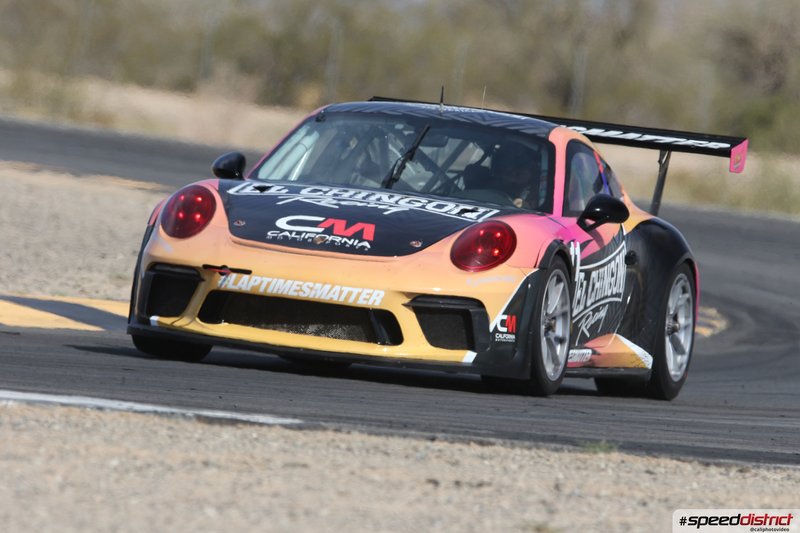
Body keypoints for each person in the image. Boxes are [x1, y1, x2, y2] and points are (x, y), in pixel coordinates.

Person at [491, 142, 541, 208]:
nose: (513, 177)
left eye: (519, 173)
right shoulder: (489, 185)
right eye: (509, 173)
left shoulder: (539, 191)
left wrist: (526, 206)